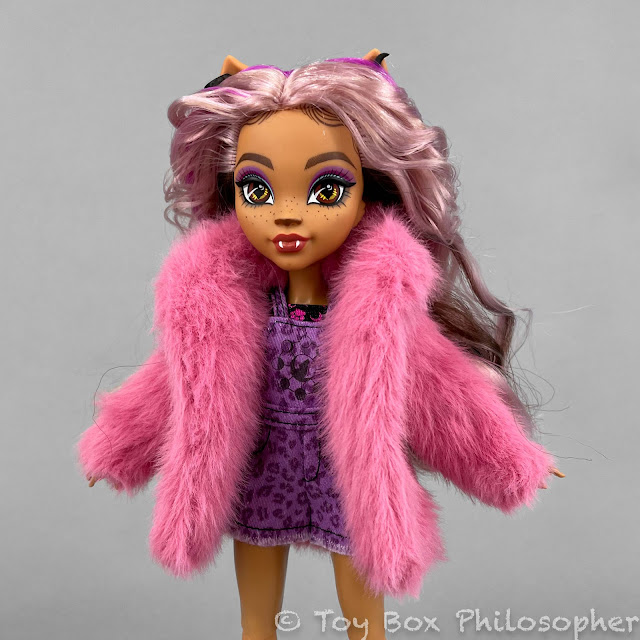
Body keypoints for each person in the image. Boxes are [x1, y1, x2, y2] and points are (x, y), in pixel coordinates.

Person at [78, 49, 564, 640]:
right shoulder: (222, 310)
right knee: (257, 621)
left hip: (348, 477)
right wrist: (118, 447)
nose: (286, 215)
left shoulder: (377, 313)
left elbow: (441, 389)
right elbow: (173, 384)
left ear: (368, 192)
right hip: (258, 472)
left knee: (363, 616)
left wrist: (505, 458)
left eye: (325, 188)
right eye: (257, 189)